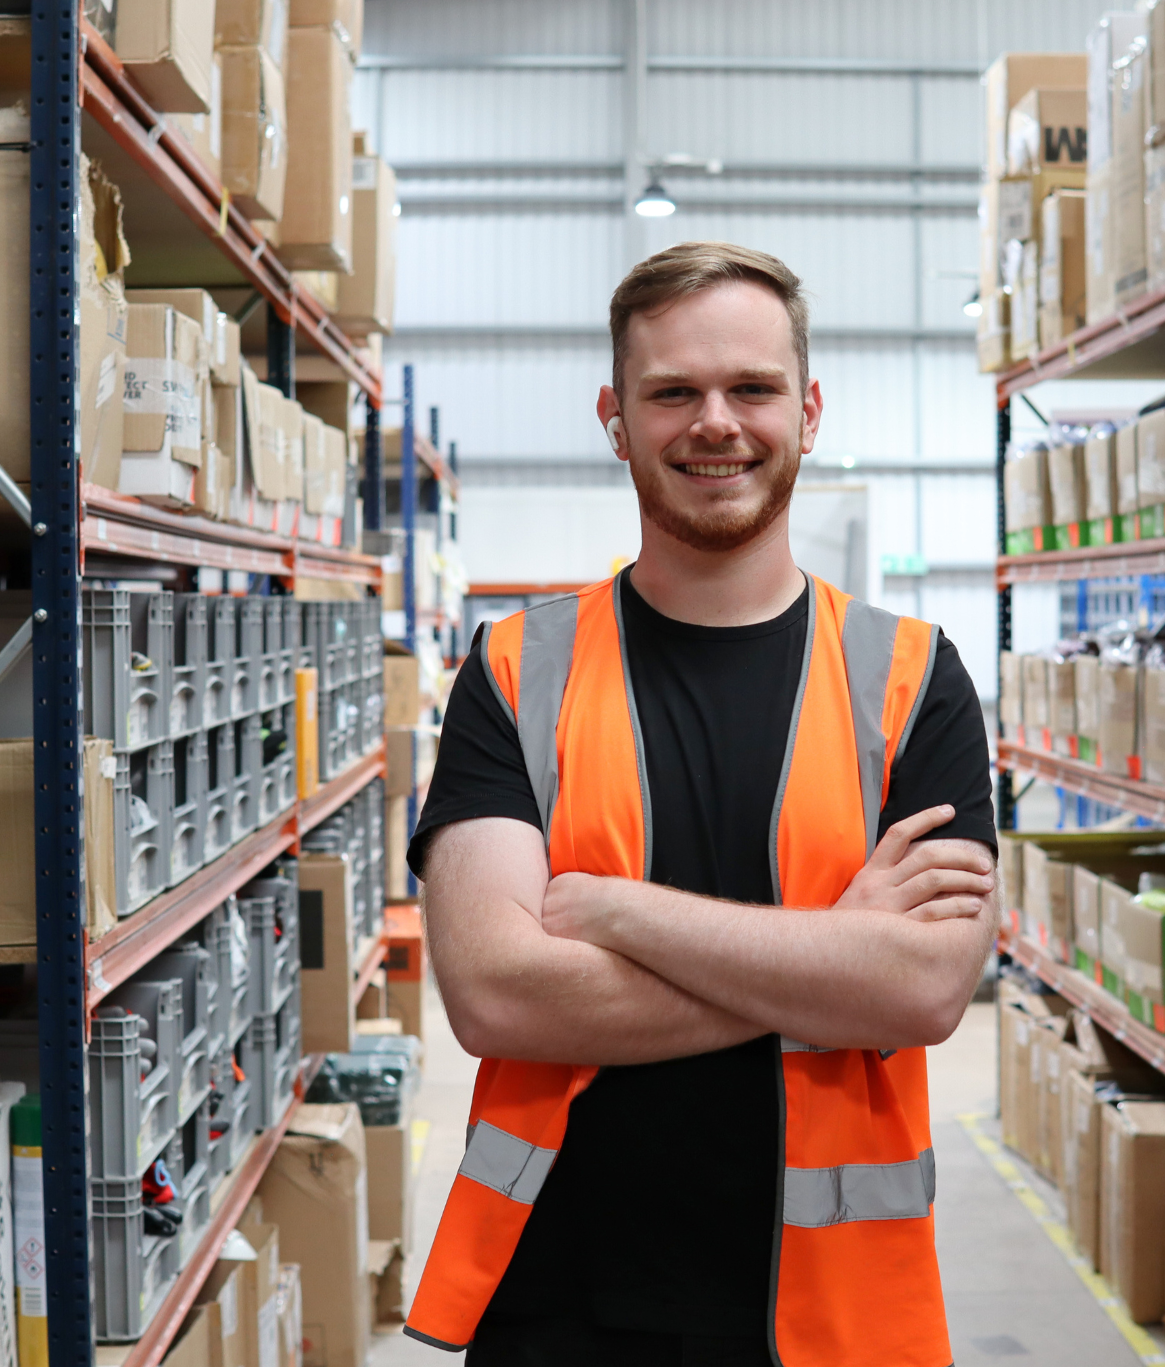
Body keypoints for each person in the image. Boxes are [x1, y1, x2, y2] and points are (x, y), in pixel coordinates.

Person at [404, 241, 999, 1367]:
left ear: (808, 410)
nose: (713, 422)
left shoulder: (914, 679)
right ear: (614, 417)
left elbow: (921, 986)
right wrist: (834, 962)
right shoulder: (516, 669)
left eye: (752, 389)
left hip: (834, 1318)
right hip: (558, 1305)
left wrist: (621, 913)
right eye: (671, 391)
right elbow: (492, 993)